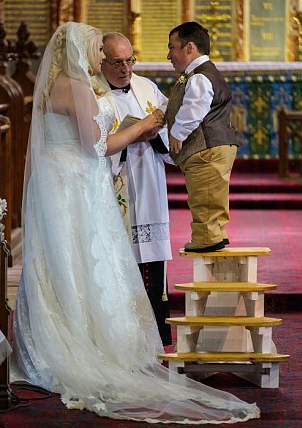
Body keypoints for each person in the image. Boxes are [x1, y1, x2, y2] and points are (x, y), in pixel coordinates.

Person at [11, 21, 260, 424]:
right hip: (82, 181)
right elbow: (95, 144)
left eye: (129, 60)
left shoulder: (116, 87)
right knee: (80, 259)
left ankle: (94, 334)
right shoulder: (79, 88)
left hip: (102, 181)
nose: (119, 66)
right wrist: (143, 126)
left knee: (78, 260)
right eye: (105, 56)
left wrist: (159, 130)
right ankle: (84, 342)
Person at [93, 32, 172, 346]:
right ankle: (123, 341)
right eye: (117, 62)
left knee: (151, 256)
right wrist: (131, 135)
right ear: (103, 62)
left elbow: (169, 136)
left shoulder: (147, 87)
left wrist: (154, 134)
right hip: (116, 181)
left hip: (149, 181)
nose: (126, 69)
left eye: (130, 60)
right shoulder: (94, 93)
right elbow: (93, 144)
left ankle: (154, 338)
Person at [165, 21, 239, 253]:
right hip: (215, 145)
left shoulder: (199, 77)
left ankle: (207, 237)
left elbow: (195, 107)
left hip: (206, 147)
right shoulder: (202, 73)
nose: (169, 55)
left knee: (204, 195)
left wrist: (177, 133)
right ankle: (216, 231)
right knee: (212, 193)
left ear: (189, 47)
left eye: (172, 47)